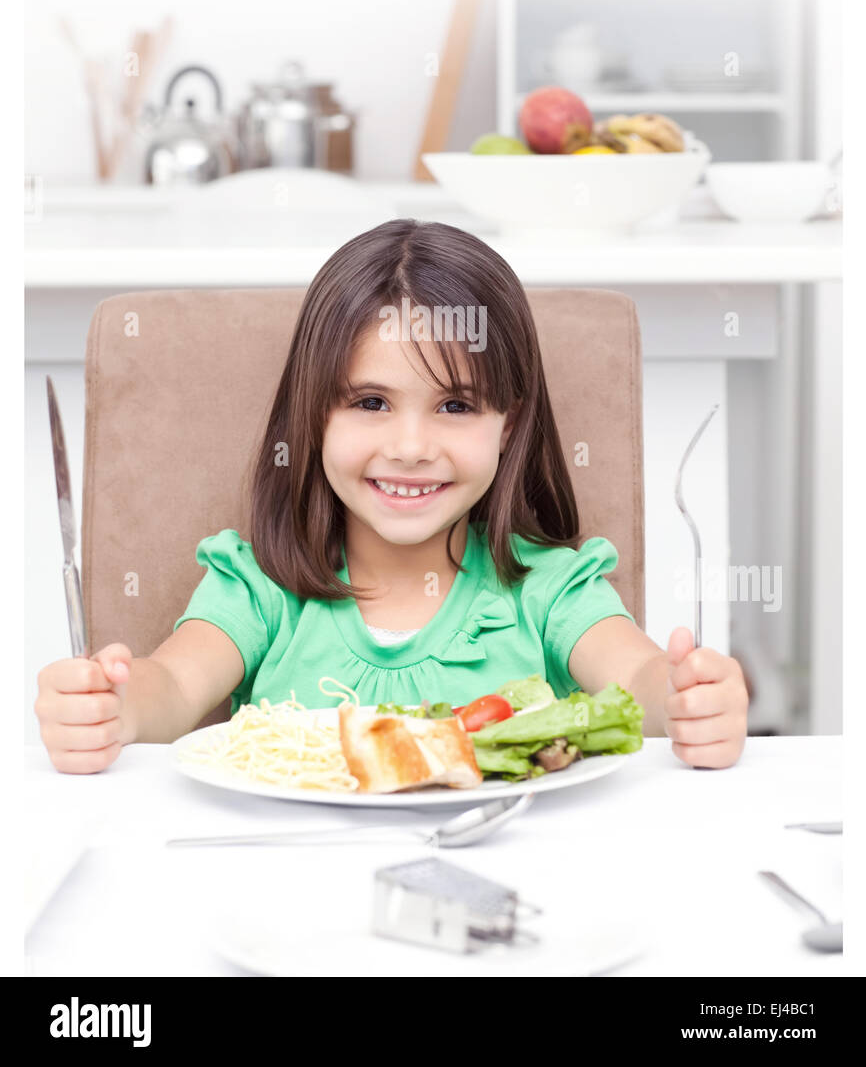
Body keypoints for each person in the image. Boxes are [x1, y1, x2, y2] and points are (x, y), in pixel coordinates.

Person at [35, 219, 748, 774]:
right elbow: (172, 689)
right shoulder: (260, 587)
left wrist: (686, 699)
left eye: (457, 407)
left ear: (511, 424)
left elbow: (637, 684)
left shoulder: (550, 590)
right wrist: (116, 708)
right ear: (313, 415)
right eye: (371, 402)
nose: (410, 446)